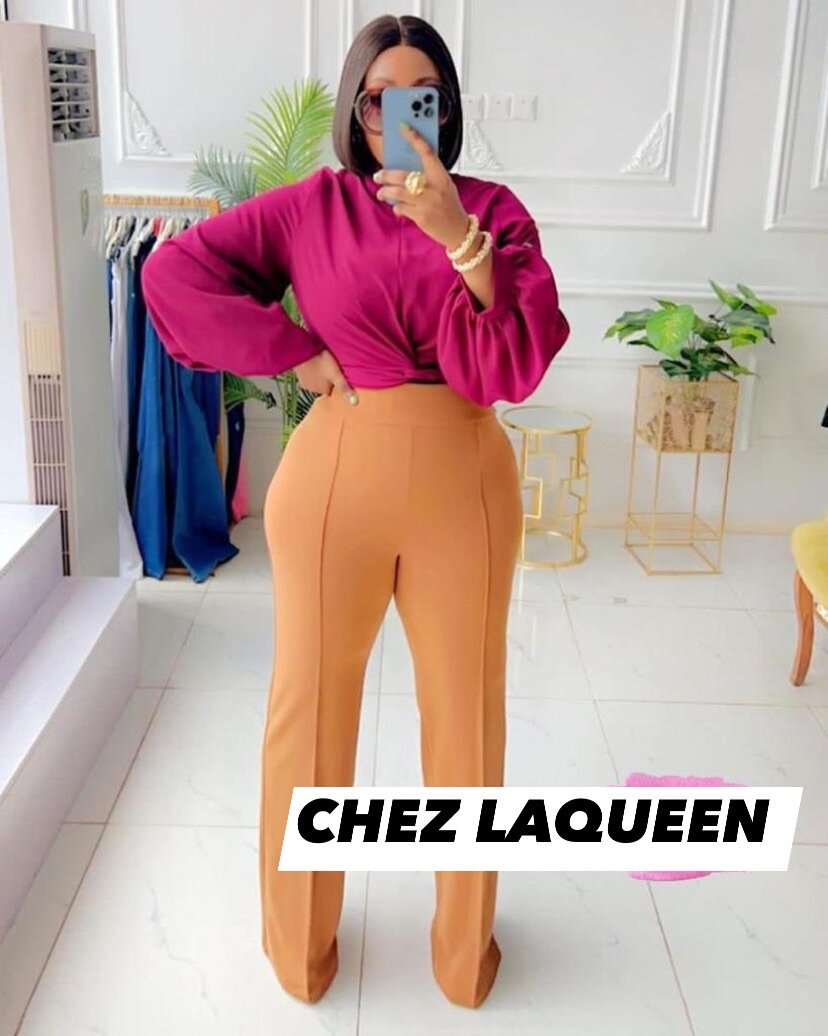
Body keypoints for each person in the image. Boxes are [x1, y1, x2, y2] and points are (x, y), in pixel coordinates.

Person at [141, 12, 570, 1010]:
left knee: (466, 718)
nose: (398, 118)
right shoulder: (313, 207)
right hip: (337, 475)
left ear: (446, 108)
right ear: (355, 106)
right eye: (379, 99)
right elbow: (174, 273)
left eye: (422, 98)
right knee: (310, 713)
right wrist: (295, 352)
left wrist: (457, 236)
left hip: (465, 479)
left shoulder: (494, 212)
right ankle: (299, 949)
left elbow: (513, 360)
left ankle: (463, 957)